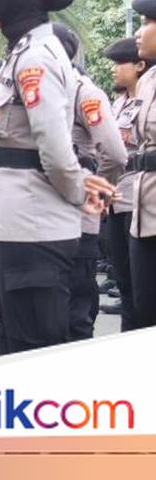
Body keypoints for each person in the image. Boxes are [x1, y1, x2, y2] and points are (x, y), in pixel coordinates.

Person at [0, 0, 115, 354]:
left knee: (33, 347)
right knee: (16, 342)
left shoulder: (37, 57)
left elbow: (53, 146)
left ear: (9, 0)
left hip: (34, 226)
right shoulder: (24, 52)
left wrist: (78, 194)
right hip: (17, 224)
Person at [52, 23, 126, 341]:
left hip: (77, 213)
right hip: (46, 215)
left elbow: (113, 152)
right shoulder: (48, 91)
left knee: (76, 311)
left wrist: (99, 191)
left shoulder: (84, 92)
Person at [102, 36, 146, 327]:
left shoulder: (148, 101)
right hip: (116, 201)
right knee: (125, 282)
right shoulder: (117, 104)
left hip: (138, 202)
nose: (114, 70)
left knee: (142, 285)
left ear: (140, 66)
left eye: (121, 64)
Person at [127, 0, 156, 329]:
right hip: (143, 209)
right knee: (144, 307)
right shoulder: (146, 80)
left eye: (148, 22)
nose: (139, 30)